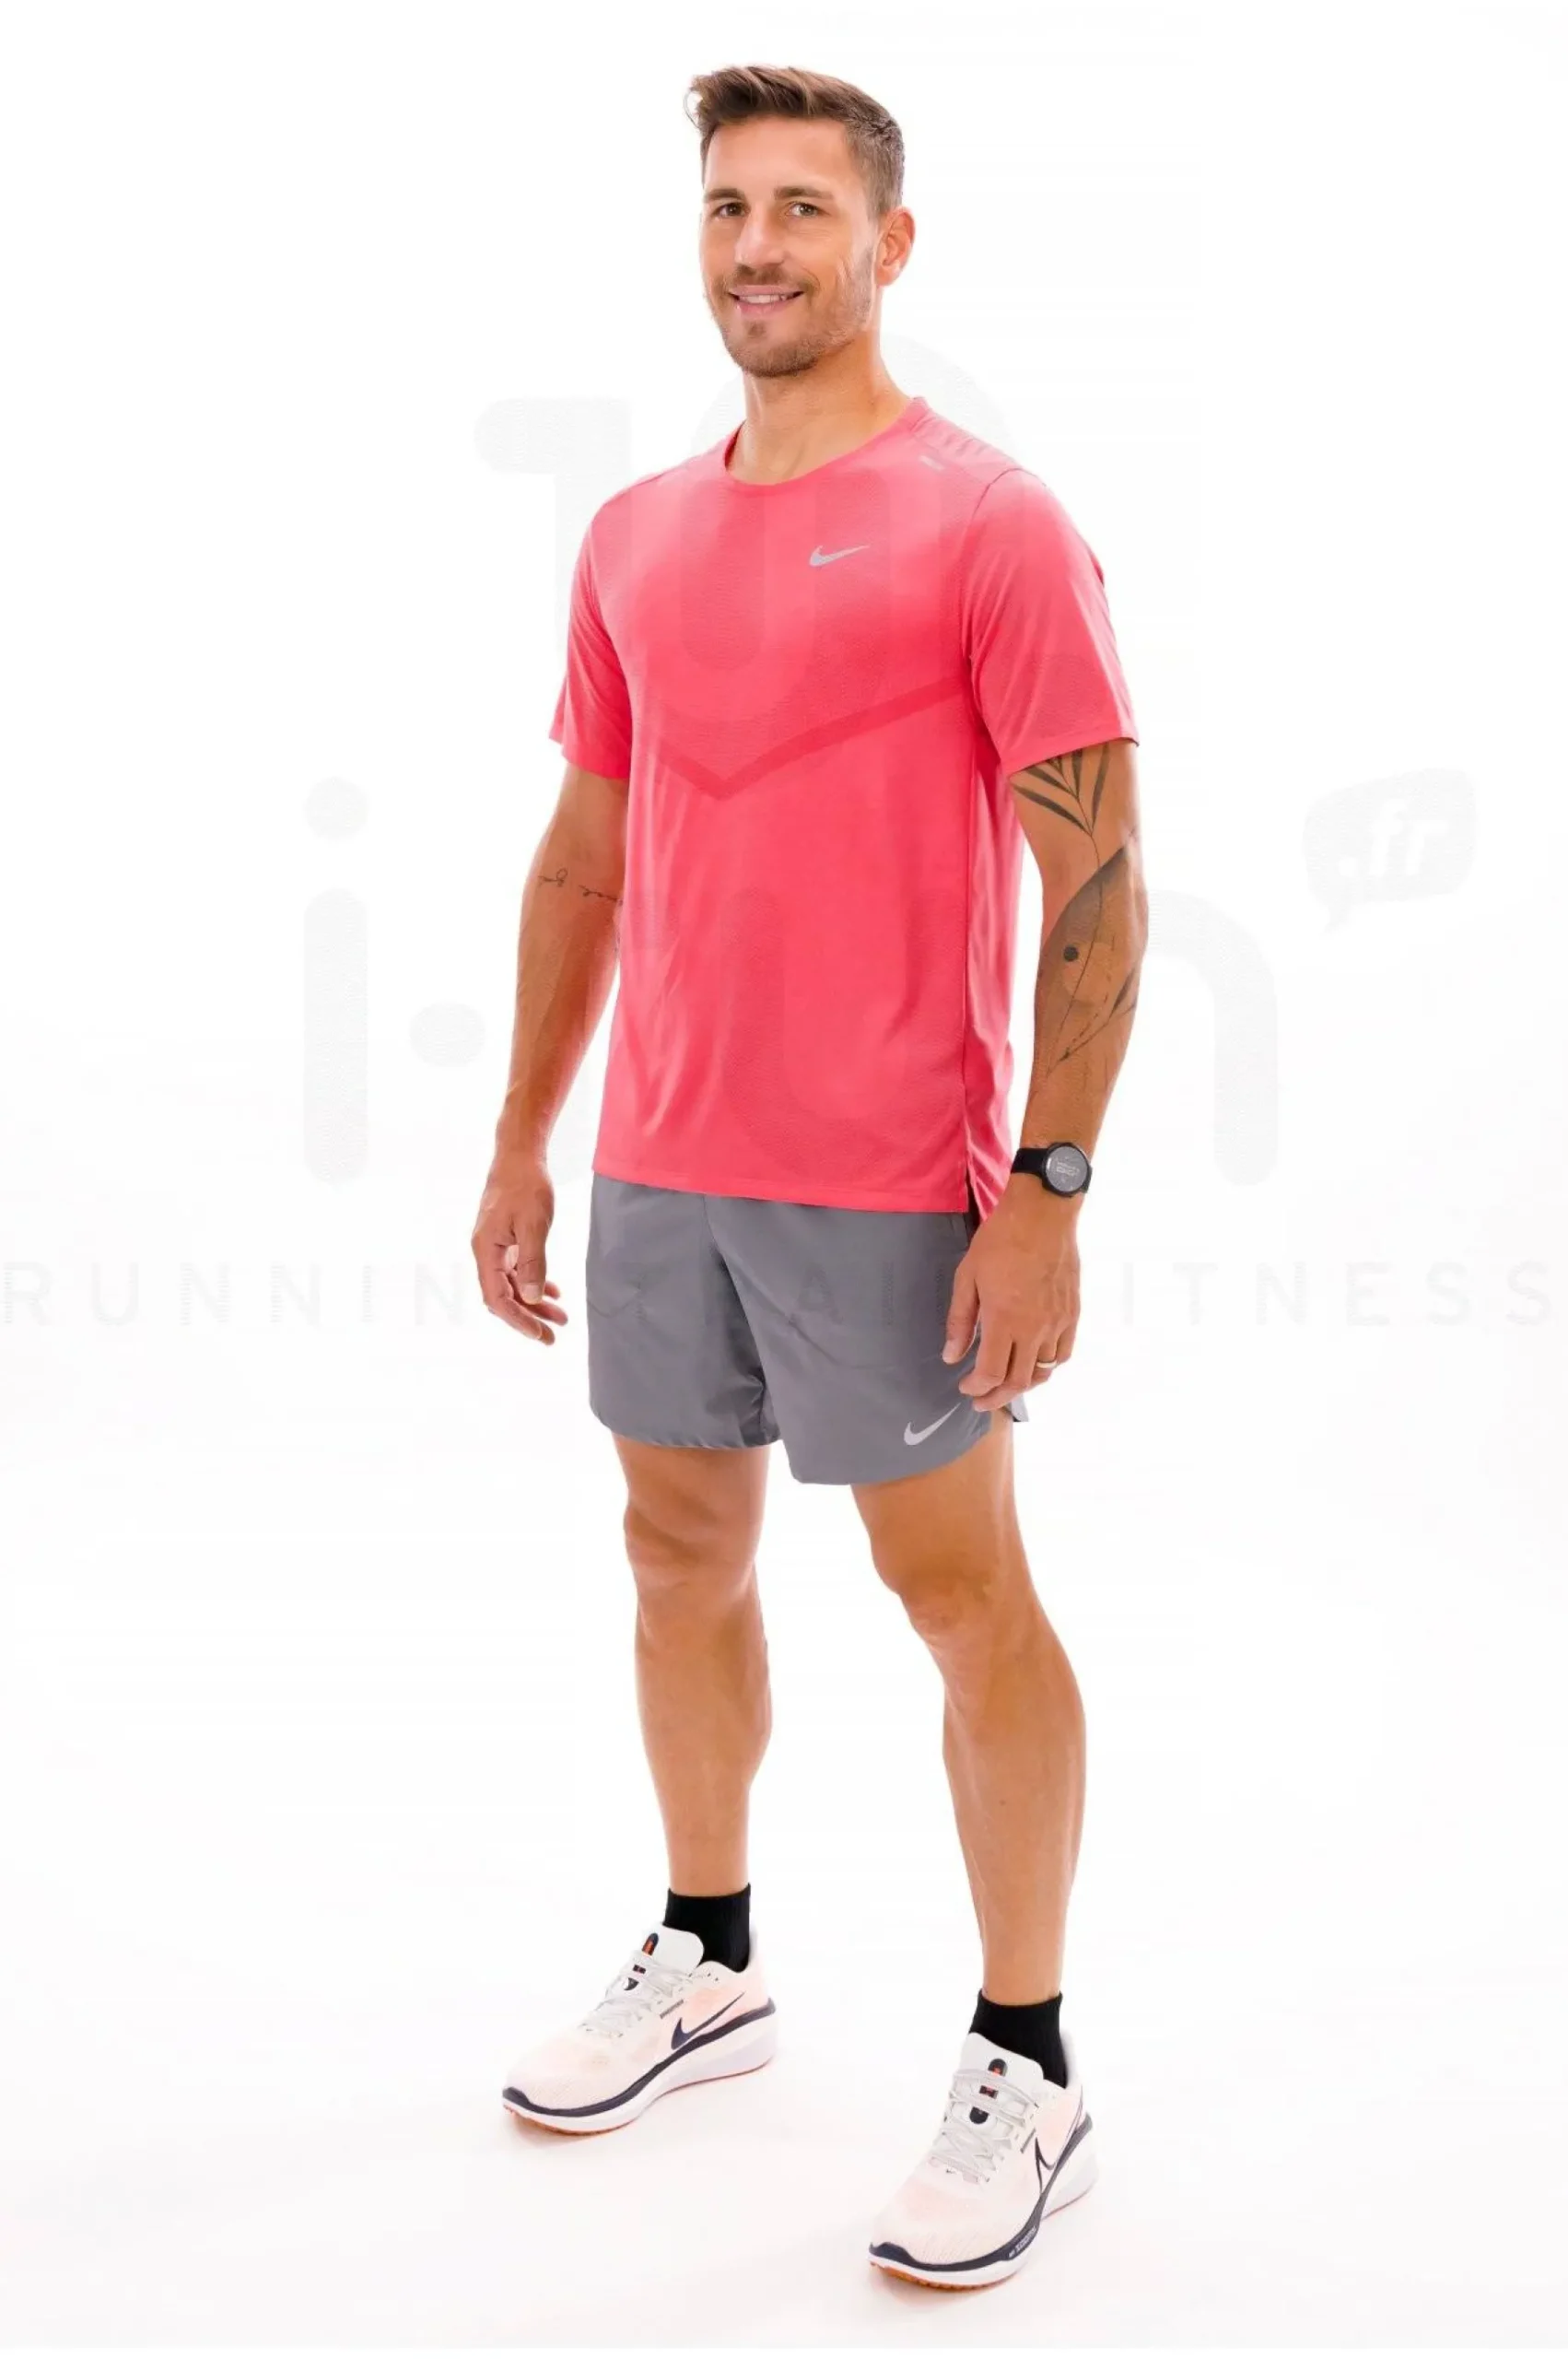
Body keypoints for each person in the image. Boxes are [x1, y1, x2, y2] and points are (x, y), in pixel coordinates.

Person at [472, 61, 1146, 2293]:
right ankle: (708, 1951)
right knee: (676, 1550)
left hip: (887, 1174)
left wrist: (1044, 1187)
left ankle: (1028, 2053)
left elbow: (1094, 874)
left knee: (958, 1597)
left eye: (800, 207)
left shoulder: (990, 522)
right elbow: (586, 854)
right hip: (661, 1153)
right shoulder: (631, 534)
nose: (756, 245)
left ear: (887, 244)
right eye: (725, 206)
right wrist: (520, 1137)